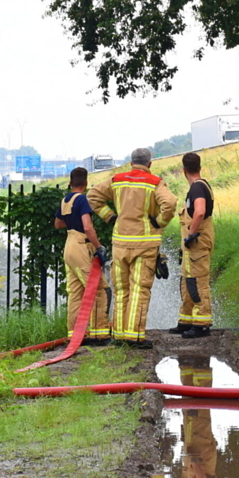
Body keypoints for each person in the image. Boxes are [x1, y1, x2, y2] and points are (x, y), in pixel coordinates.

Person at [88, 148, 176, 348]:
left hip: (120, 242)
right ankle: (134, 336)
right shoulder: (154, 182)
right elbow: (169, 203)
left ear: (131, 162)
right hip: (144, 244)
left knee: (121, 289)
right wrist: (159, 222)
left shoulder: (116, 180)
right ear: (149, 164)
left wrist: (110, 216)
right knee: (140, 289)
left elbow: (92, 196)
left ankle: (119, 335)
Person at [54, 167, 111, 344]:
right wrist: (98, 246)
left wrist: (72, 221)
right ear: (85, 184)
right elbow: (87, 227)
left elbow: (58, 224)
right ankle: (98, 333)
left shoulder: (65, 200)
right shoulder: (83, 200)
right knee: (98, 288)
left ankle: (74, 333)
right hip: (80, 245)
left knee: (75, 292)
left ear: (70, 182)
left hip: (69, 245)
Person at [169, 152, 215, 339]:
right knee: (187, 282)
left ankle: (201, 324)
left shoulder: (197, 188)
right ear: (200, 167)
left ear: (183, 170)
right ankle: (186, 321)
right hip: (191, 247)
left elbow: (200, 212)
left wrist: (190, 234)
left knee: (198, 283)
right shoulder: (199, 186)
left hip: (197, 243)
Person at [178, 355, 219, 478]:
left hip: (198, 450)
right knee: (199, 413)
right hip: (201, 452)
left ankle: (187, 369)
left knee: (190, 412)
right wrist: (194, 462)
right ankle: (201, 369)